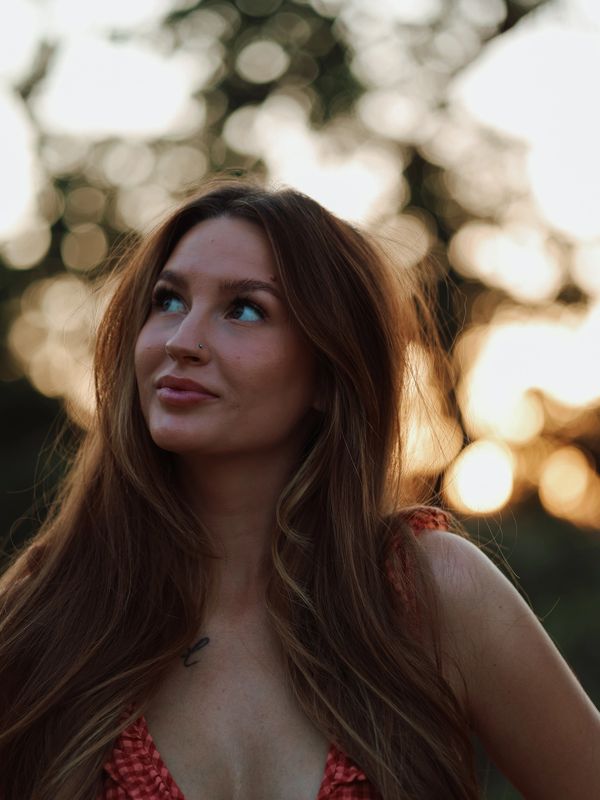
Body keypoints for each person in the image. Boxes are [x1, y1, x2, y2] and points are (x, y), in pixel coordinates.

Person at [0, 179, 598, 800]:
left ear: (328, 374)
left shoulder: (426, 593)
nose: (181, 341)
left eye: (245, 309)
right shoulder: (51, 609)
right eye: (168, 300)